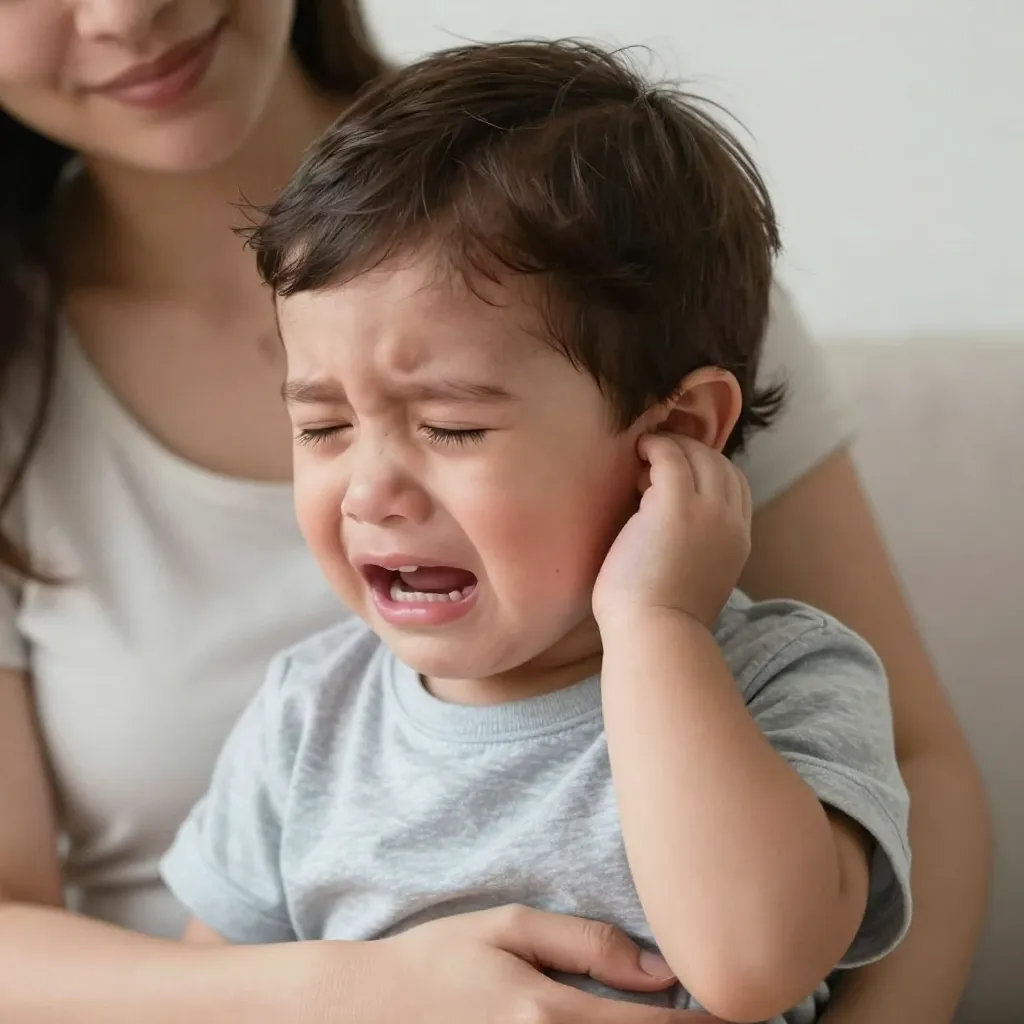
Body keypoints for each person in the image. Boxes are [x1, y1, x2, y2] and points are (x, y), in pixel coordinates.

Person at [0, 2, 987, 1023]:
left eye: (453, 428)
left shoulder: (786, 679)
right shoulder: (305, 718)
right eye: (323, 426)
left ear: (679, 433)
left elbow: (752, 964)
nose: (371, 491)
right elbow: (217, 992)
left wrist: (656, 628)